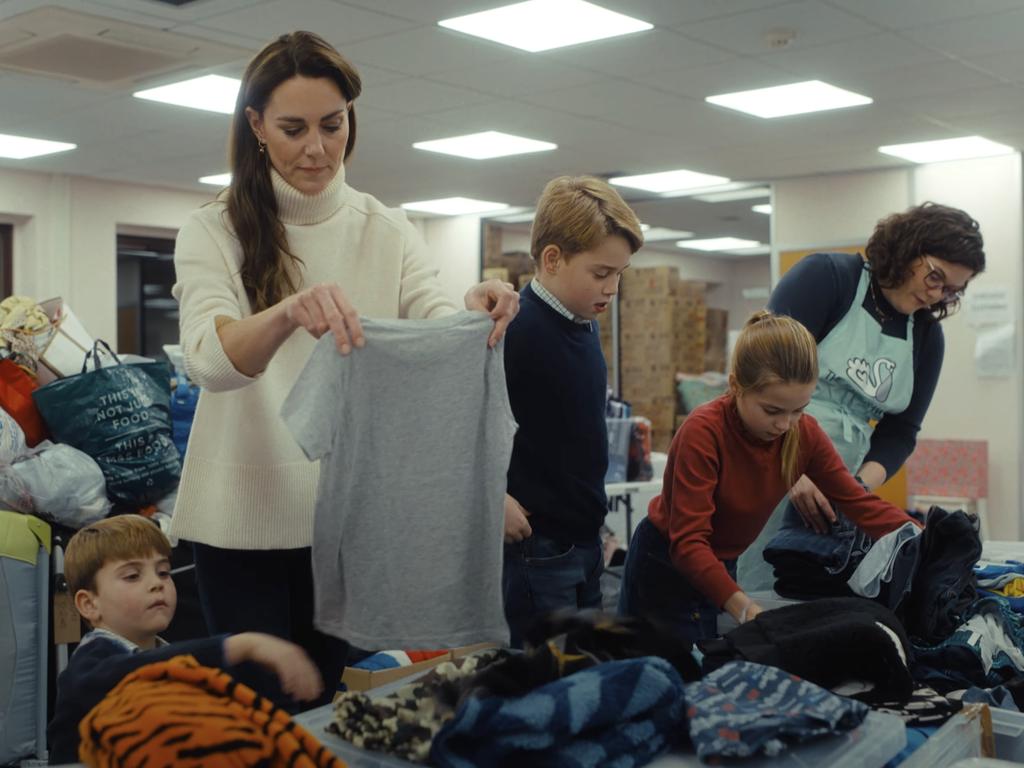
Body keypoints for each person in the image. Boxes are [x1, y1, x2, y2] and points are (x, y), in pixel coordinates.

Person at [170, 30, 519, 701]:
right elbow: (209, 359)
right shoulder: (212, 228)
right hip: (238, 523)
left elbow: (435, 320)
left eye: (333, 125)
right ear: (256, 127)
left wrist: (476, 309)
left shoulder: (385, 226)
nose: (317, 148)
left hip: (347, 525)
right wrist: (285, 313)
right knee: (258, 716)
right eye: (293, 128)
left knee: (325, 706)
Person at [618, 312, 918, 642]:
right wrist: (745, 608)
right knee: (659, 674)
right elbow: (688, 543)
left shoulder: (804, 434)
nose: (785, 424)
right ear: (735, 387)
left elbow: (858, 503)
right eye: (772, 411)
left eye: (799, 409)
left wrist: (924, 538)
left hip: (718, 563)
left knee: (705, 667)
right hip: (665, 566)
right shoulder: (703, 432)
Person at [738, 202, 985, 591]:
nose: (936, 295)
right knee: (744, 590)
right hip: (767, 458)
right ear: (908, 247)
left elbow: (900, 433)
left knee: (801, 598)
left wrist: (854, 490)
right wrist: (789, 467)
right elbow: (755, 379)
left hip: (836, 486)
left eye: (951, 290)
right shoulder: (827, 278)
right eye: (935, 276)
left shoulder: (924, 337)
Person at [48, 516, 322, 764]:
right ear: (88, 604)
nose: (157, 583)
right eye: (133, 576)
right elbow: (128, 674)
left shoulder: (161, 651)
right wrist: (239, 646)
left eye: (163, 572)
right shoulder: (91, 663)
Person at [502, 175, 643, 647]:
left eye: (619, 274)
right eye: (601, 274)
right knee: (549, 678)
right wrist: (489, 498)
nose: (613, 288)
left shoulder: (582, 325)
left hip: (583, 541)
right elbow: (457, 426)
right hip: (537, 548)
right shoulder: (516, 331)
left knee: (588, 669)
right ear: (552, 259)